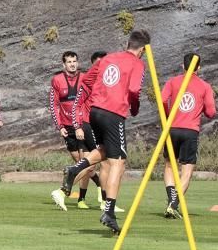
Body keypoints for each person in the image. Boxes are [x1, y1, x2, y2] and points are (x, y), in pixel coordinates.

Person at [61, 30, 151, 234]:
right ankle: (109, 211)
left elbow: (87, 80)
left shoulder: (109, 58)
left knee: (103, 150)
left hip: (95, 112)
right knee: (118, 161)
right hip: (113, 113)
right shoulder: (138, 63)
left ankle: (75, 170)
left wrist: (102, 93)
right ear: (143, 49)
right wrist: (134, 107)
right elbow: (135, 90)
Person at [160, 53, 217, 219]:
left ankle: (171, 200)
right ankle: (174, 203)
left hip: (172, 128)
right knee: (187, 170)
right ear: (198, 67)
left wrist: (168, 115)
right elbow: (211, 112)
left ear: (182, 66)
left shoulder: (172, 82)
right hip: (190, 131)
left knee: (170, 165)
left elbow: (163, 100)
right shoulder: (205, 86)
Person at [49, 51, 98, 211]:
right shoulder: (56, 80)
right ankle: (99, 185)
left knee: (87, 164)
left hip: (83, 125)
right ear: (64, 64)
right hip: (68, 128)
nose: (72, 64)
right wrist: (60, 127)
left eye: (74, 61)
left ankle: (76, 196)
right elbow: (53, 105)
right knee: (81, 164)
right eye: (69, 62)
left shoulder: (85, 78)